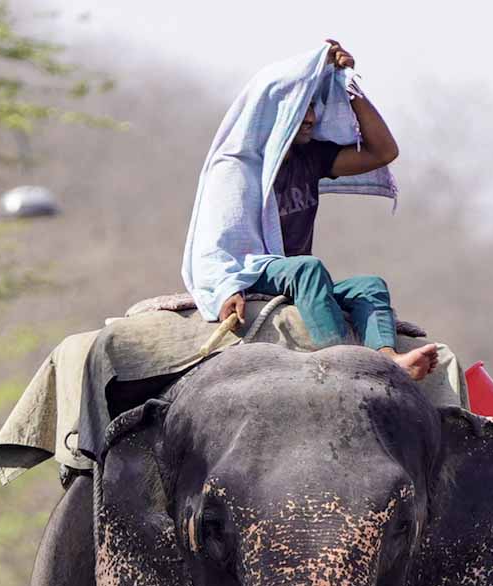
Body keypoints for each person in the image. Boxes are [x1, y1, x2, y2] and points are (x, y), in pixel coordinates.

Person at [182, 40, 441, 382]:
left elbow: (383, 151)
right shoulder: (235, 168)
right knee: (309, 268)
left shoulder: (309, 157)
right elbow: (213, 244)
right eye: (298, 108)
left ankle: (390, 360)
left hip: (297, 277)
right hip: (255, 271)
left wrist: (348, 87)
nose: (310, 118)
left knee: (369, 286)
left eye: (312, 106)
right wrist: (226, 289)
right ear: (272, 113)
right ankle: (339, 362)